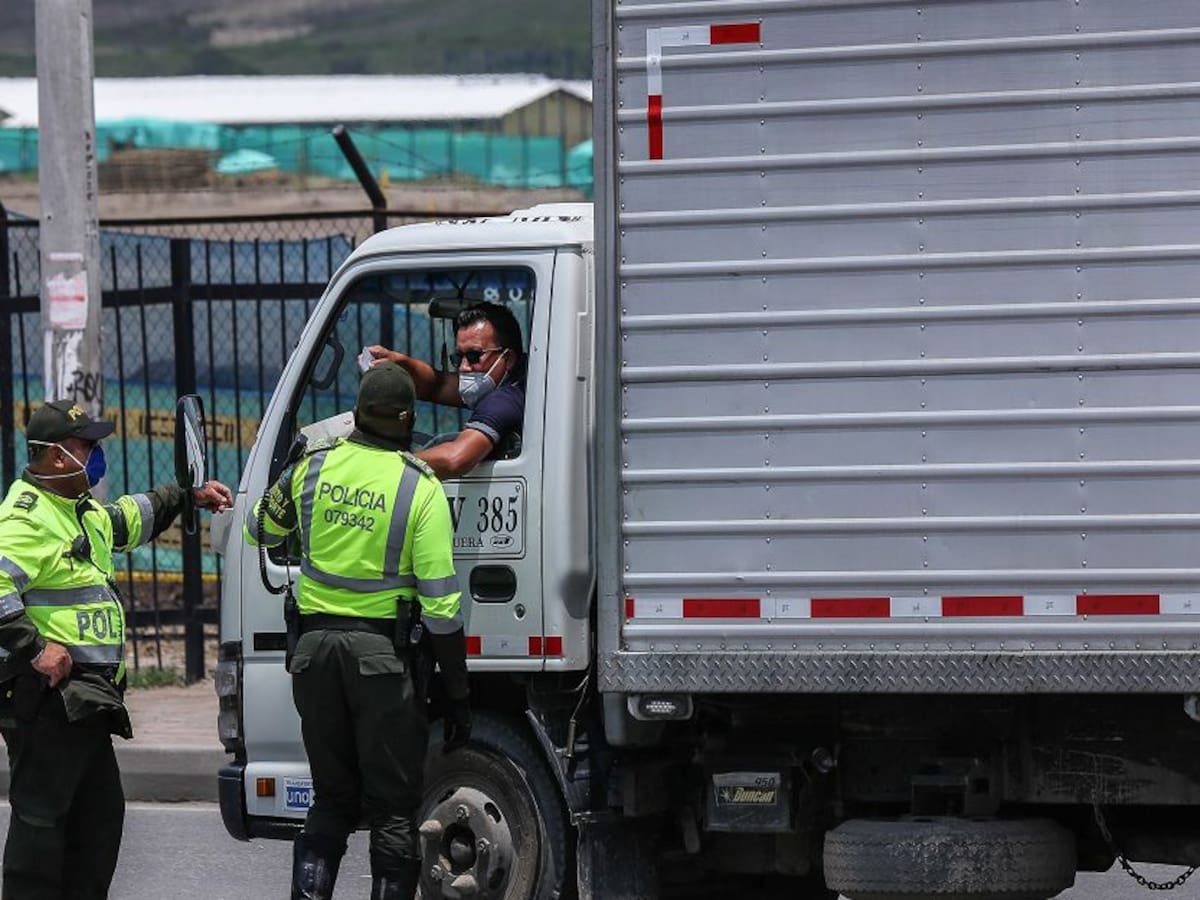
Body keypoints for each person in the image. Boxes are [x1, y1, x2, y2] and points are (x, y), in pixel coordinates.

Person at [245, 362, 471, 900]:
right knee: (393, 811)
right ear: (409, 419)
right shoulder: (420, 489)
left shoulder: (312, 469)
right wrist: (458, 692)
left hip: (313, 658)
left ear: (356, 414)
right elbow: (441, 608)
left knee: (330, 800)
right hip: (381, 663)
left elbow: (259, 527)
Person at [0, 398, 233, 900]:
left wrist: (187, 496)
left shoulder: (79, 511)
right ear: (59, 456)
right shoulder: (26, 517)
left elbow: (130, 517)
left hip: (86, 703)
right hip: (47, 701)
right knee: (42, 829)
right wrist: (35, 646)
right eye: (89, 446)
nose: (97, 454)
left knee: (98, 824)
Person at [368, 301, 525, 479]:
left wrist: (383, 466)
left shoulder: (504, 400)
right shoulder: (524, 377)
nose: (464, 367)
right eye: (458, 357)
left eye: (474, 356)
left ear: (509, 358)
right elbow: (437, 385)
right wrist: (399, 362)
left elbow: (454, 459)